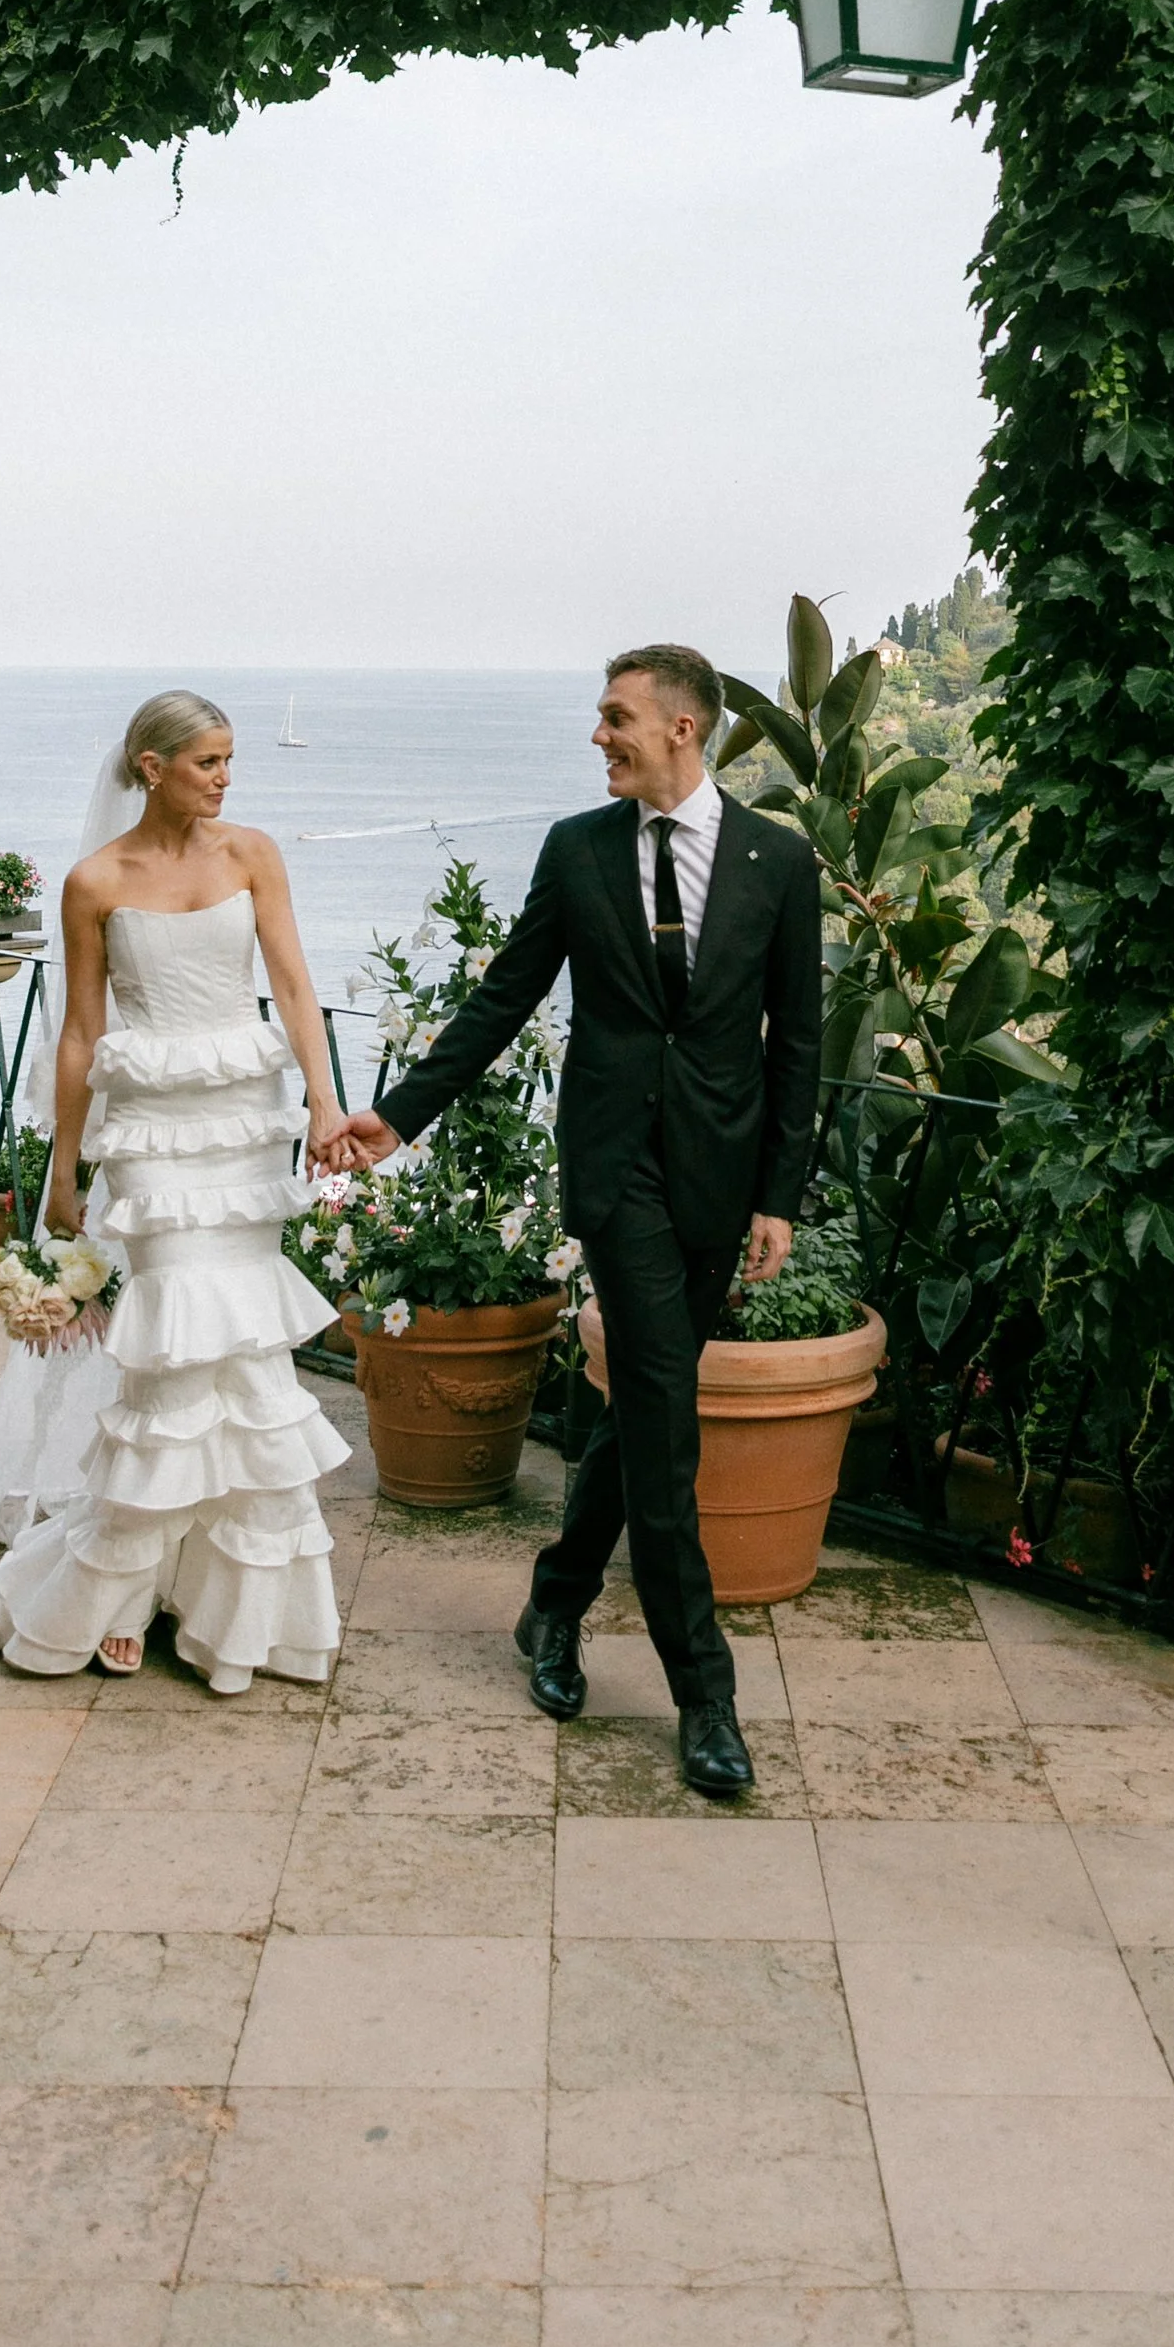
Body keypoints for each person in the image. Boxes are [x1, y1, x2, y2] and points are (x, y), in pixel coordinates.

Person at [321, 643, 820, 1796]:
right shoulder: (576, 851)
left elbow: (796, 1042)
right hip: (613, 1174)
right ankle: (705, 1693)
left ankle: (551, 1606)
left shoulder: (776, 862)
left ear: (684, 729)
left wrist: (777, 1197)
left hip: (718, 1174)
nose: (599, 737)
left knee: (641, 1407)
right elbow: (504, 998)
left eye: (616, 718)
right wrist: (397, 1118)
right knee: (666, 1419)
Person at [0, 690, 351, 1688]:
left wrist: (325, 1107)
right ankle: (121, 1589)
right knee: (175, 1352)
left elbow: (295, 987)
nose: (224, 778)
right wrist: (63, 1167)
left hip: (240, 1126)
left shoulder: (252, 854)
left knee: (246, 1363)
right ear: (150, 765)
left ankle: (224, 1606)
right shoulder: (93, 881)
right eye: (207, 761)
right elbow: (82, 1032)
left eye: (228, 760)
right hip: (155, 1138)